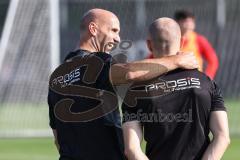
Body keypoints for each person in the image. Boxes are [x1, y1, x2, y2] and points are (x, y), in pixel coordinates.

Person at [48, 9, 198, 160]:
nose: (118, 39)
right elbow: (129, 73)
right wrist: (176, 60)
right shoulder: (97, 62)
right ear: (93, 29)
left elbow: (57, 137)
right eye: (113, 30)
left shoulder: (57, 77)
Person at [122, 17, 230, 160]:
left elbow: (131, 149)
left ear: (149, 45)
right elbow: (222, 137)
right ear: (181, 43)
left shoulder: (135, 90)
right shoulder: (206, 82)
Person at [148, 10, 219, 79]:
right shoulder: (168, 40)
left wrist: (207, 78)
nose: (188, 24)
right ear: (177, 23)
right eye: (185, 21)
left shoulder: (199, 40)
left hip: (194, 81)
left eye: (191, 21)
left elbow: (213, 61)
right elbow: (152, 59)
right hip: (172, 80)